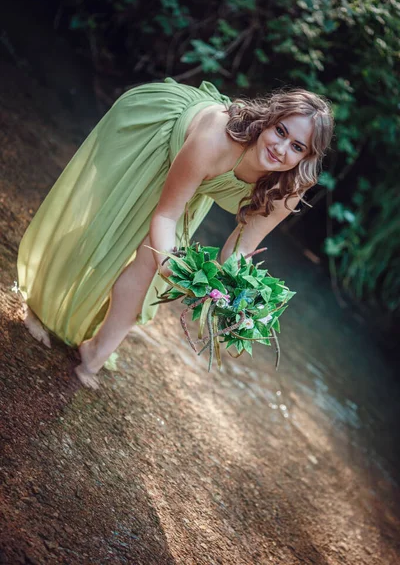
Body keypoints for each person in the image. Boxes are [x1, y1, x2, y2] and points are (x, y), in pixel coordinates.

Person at [17, 78, 333, 389]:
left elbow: (239, 249)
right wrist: (172, 264)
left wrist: (235, 303)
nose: (280, 148)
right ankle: (40, 300)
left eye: (296, 147)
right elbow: (166, 215)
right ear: (269, 119)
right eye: (280, 131)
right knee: (104, 228)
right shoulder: (216, 140)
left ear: (306, 158)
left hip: (193, 177)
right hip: (153, 134)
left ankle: (94, 355)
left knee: (148, 262)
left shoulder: (289, 188)